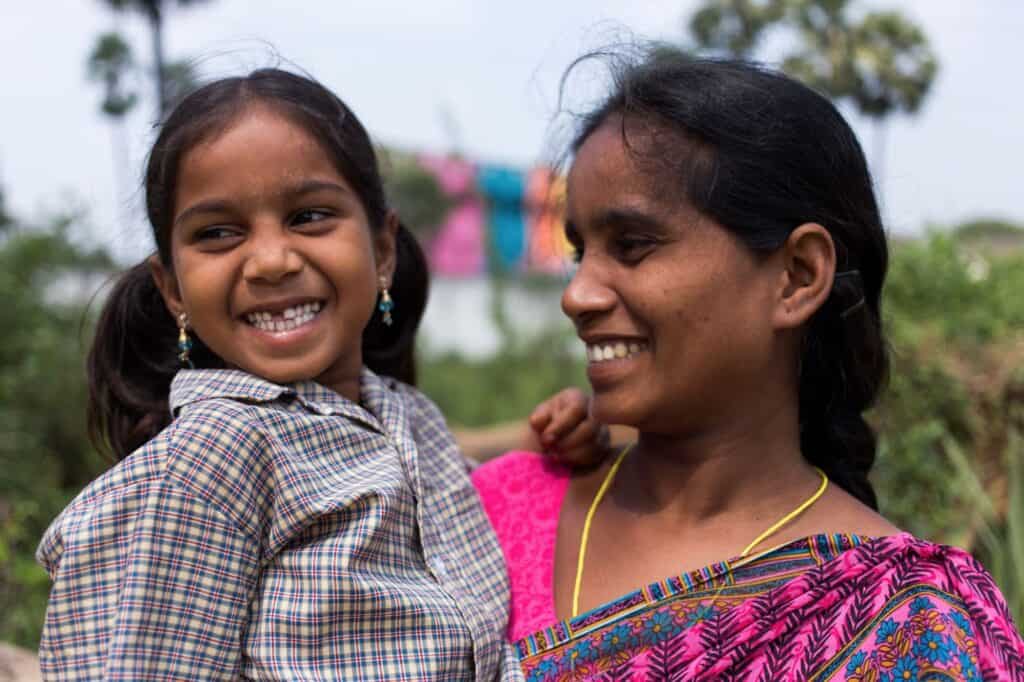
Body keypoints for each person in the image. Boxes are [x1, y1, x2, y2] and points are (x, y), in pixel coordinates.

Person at [473, 48, 1024, 680]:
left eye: (631, 245)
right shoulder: (495, 512)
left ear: (796, 276)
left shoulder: (909, 628)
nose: (577, 295)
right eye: (580, 253)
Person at [36, 68, 603, 681]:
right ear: (173, 288)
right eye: (218, 233)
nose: (273, 261)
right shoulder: (210, 457)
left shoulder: (408, 418)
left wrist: (547, 439)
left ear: (382, 250)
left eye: (309, 216)